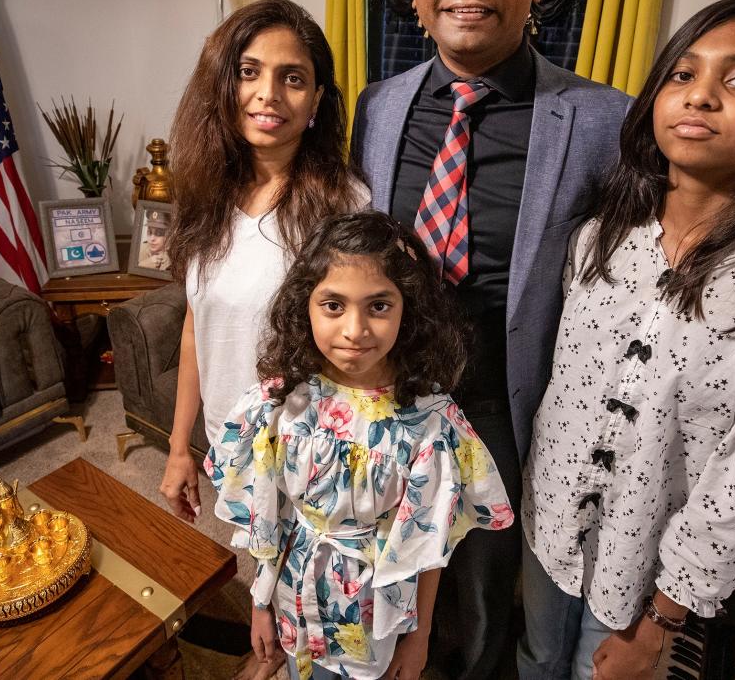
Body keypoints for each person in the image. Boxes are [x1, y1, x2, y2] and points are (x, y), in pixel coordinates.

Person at [349, 0, 735, 675]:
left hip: (517, 407)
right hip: (389, 393)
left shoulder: (606, 119)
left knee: (489, 593)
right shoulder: (379, 104)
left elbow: (692, 259)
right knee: (391, 571)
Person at [519, 0, 735, 680]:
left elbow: (734, 481)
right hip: (546, 523)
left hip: (646, 567)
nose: (701, 98)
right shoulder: (596, 238)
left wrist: (663, 620)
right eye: (682, 74)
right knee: (537, 658)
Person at [205, 211, 514, 680]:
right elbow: (268, 519)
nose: (355, 330)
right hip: (293, 599)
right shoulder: (279, 403)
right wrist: (260, 604)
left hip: (375, 618)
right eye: (333, 305)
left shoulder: (430, 423)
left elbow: (430, 547)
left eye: (378, 306)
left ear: (407, 308)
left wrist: (420, 636)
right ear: (303, 305)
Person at [161, 0, 366, 680]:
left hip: (312, 458)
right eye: (249, 71)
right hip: (232, 443)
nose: (267, 94)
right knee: (262, 578)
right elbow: (197, 326)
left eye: (292, 76)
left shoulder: (343, 206)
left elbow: (364, 350)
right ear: (224, 85)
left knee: (319, 607)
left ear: (316, 100)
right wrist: (180, 446)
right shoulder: (203, 200)